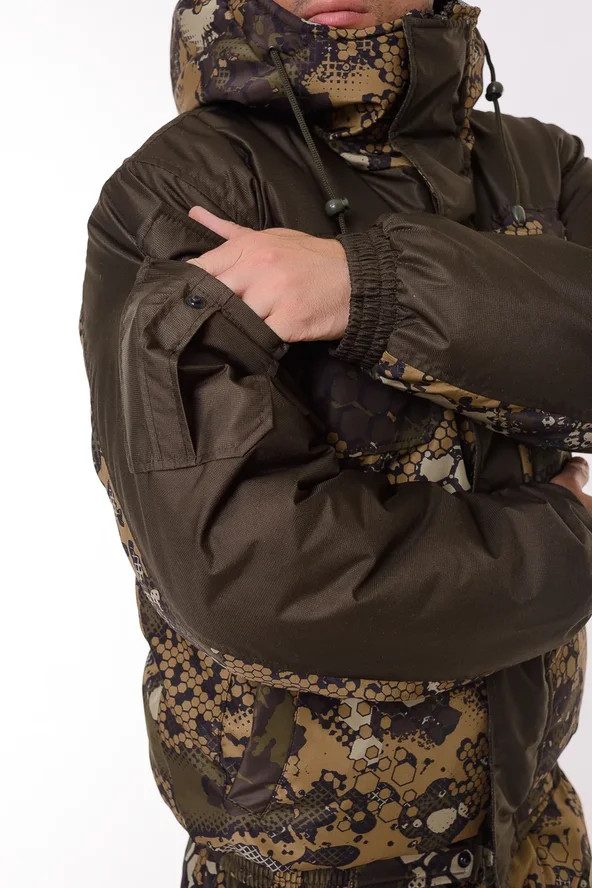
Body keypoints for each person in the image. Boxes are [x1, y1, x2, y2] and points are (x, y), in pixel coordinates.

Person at [79, 0, 592, 885]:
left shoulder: (543, 166)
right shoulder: (182, 188)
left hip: (535, 828)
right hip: (301, 864)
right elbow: (252, 575)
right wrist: (568, 543)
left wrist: (368, 288)